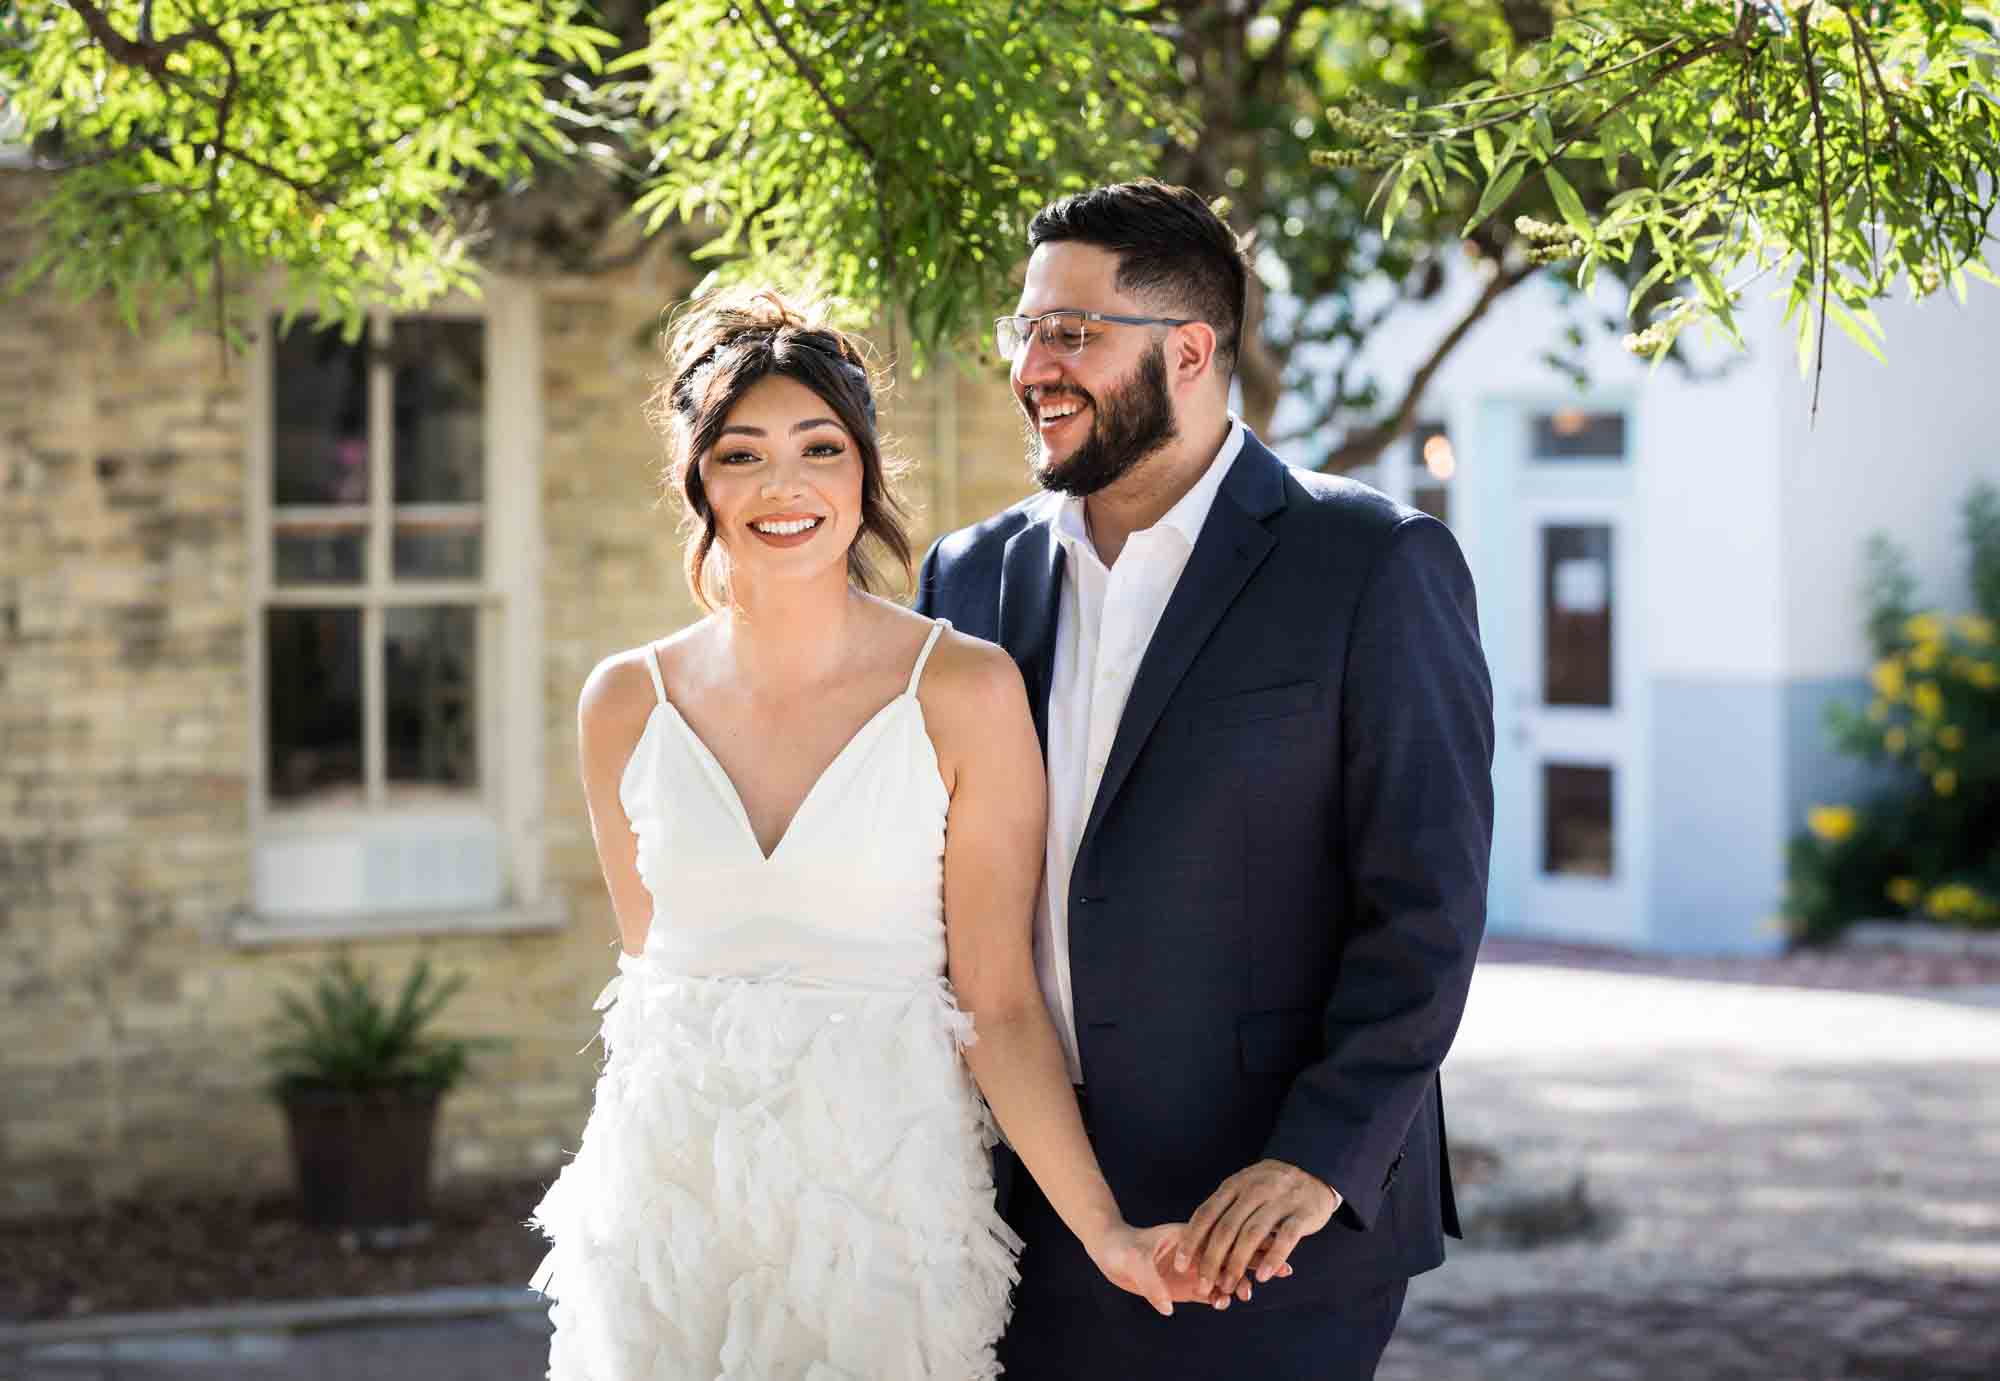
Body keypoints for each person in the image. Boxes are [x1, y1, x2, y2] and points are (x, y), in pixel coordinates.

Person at [527, 289, 1191, 1379]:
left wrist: (1104, 1228)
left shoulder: (964, 689)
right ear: (696, 480)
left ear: (863, 473)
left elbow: (1000, 999)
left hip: (881, 1206)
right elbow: (655, 975)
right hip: (668, 1207)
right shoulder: (621, 704)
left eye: (818, 448)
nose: (782, 487)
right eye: (739, 455)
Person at [917, 179, 1495, 1377]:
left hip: (1262, 1225)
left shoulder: (1372, 562)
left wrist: (1320, 1158)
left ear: (1188, 351)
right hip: (1011, 1205)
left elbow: (1425, 907)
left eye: (1069, 333)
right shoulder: (965, 577)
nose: (1032, 366)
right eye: (1023, 330)